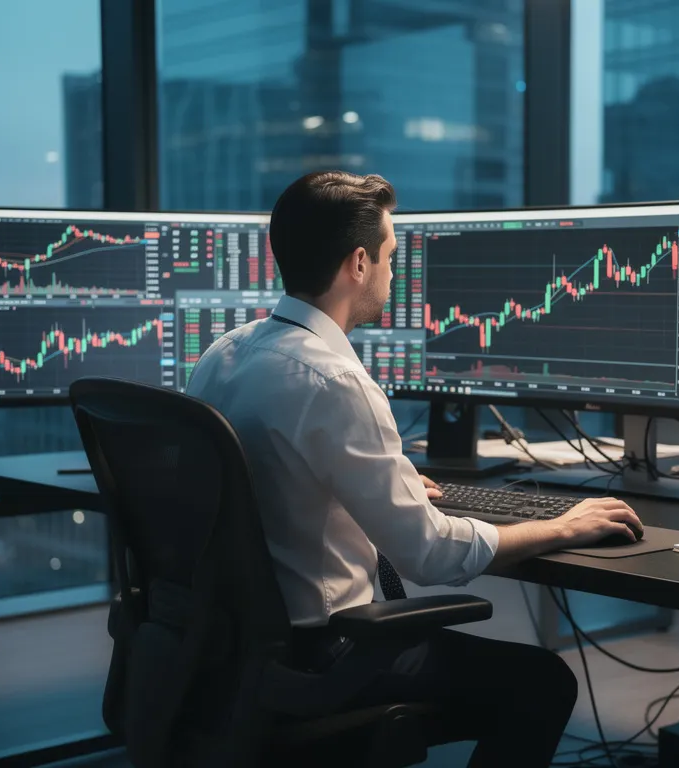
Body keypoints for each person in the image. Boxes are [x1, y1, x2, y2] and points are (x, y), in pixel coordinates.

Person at [185, 170, 643, 766]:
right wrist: (564, 525)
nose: (393, 274)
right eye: (390, 257)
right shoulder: (336, 380)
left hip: (225, 648)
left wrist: (375, 489)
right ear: (357, 263)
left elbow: (266, 479)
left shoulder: (224, 354)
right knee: (544, 682)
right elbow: (429, 555)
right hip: (319, 657)